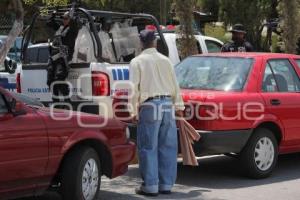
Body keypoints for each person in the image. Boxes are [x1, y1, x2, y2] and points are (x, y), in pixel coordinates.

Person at [129, 30, 185, 196]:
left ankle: (151, 186)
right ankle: (166, 185)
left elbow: (133, 89)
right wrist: (179, 107)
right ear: (154, 43)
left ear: (141, 43)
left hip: (150, 106)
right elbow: (175, 85)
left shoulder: (137, 61)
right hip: (167, 104)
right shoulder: (166, 61)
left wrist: (132, 110)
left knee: (148, 147)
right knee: (168, 146)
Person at [47, 11, 79, 107]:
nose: (64, 20)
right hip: (54, 58)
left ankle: (68, 102)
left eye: (66, 18)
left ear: (70, 20)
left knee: (59, 79)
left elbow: (74, 23)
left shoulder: (73, 29)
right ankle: (56, 103)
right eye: (63, 18)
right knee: (50, 81)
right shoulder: (60, 28)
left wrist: (72, 12)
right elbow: (49, 23)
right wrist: (53, 16)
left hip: (63, 58)